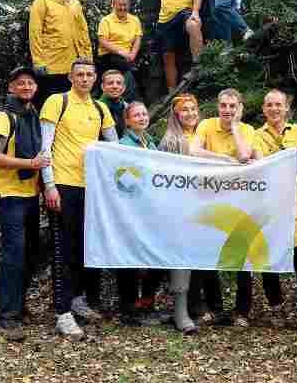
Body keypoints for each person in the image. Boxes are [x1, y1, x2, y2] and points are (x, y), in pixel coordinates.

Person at [38, 57, 119, 339]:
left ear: (95, 78)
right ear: (71, 78)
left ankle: (78, 300)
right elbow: (44, 147)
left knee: (87, 248)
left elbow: (116, 148)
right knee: (64, 249)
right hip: (63, 184)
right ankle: (62, 313)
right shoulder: (56, 102)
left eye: (89, 75)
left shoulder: (100, 108)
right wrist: (48, 186)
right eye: (79, 75)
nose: (84, 79)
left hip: (93, 187)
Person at [250, 89, 297, 337]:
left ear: (286, 108)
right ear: (264, 109)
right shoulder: (255, 135)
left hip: (294, 206)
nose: (274, 109)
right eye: (269, 104)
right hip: (267, 205)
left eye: (278, 104)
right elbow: (259, 162)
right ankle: (275, 307)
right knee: (267, 258)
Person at [0, 66, 51, 342]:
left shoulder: (32, 115)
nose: (26, 87)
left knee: (29, 253)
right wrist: (31, 164)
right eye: (20, 83)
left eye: (30, 83)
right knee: (13, 255)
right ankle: (5, 318)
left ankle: (19, 306)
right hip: (8, 195)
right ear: (11, 88)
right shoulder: (2, 118)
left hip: (29, 195)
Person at [191, 88, 261, 327]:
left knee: (241, 253)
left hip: (239, 200)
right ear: (218, 107)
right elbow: (194, 150)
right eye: (224, 106)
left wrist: (234, 128)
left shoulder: (248, 130)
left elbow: (244, 156)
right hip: (210, 198)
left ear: (239, 107)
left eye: (232, 106)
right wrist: (223, 160)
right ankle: (216, 307)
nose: (227, 110)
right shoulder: (207, 125)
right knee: (209, 250)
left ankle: (242, 311)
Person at [157, 96, 203, 335]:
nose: (190, 113)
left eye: (193, 109)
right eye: (184, 110)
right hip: (180, 208)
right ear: (175, 114)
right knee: (180, 258)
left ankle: (198, 306)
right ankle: (180, 312)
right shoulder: (170, 140)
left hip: (205, 207)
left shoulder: (203, 135)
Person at [115, 101, 163, 325]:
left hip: (152, 210)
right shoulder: (123, 145)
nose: (142, 118)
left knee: (154, 255)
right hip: (131, 211)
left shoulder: (151, 143)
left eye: (144, 114)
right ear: (127, 120)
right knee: (130, 258)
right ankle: (129, 307)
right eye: (136, 115)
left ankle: (147, 302)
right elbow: (122, 179)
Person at [29, 0, 93, 106]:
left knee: (70, 106)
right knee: (49, 105)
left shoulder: (75, 3)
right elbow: (35, 32)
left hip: (73, 65)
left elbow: (83, 31)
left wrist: (87, 58)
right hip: (51, 65)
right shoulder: (42, 1)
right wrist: (38, 61)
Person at [96, 0, 142, 102]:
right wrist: (122, 52)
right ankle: (129, 99)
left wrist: (132, 54)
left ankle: (127, 100)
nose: (122, 7)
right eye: (119, 5)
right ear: (113, 5)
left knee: (132, 68)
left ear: (129, 5)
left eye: (125, 5)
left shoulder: (134, 20)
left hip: (127, 57)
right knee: (125, 68)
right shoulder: (106, 20)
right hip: (109, 55)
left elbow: (137, 39)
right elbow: (102, 41)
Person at [99, 69, 129, 138]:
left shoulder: (127, 107)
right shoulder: (96, 108)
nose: (115, 86)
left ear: (124, 88)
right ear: (102, 87)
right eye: (110, 83)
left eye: (118, 83)